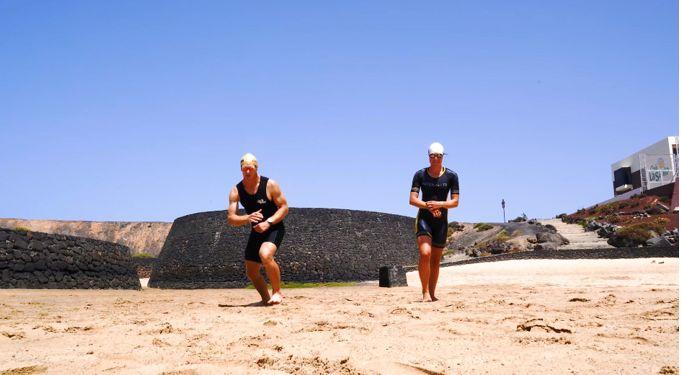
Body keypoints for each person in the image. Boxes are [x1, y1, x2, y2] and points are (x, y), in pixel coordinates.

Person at [227, 153, 289, 305]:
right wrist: (247, 218)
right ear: (241, 170)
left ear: (256, 168)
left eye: (250, 168)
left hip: (274, 227)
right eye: (244, 169)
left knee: (265, 254)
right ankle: (266, 299)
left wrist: (269, 222)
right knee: (252, 272)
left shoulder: (270, 185)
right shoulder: (236, 190)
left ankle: (277, 292)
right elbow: (231, 218)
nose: (247, 172)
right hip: (256, 231)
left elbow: (284, 207)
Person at [409, 142, 459, 302]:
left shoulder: (451, 176)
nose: (435, 159)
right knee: (425, 253)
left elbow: (455, 202)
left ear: (443, 157)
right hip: (424, 218)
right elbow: (412, 199)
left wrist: (440, 204)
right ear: (428, 157)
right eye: (432, 156)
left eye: (438, 156)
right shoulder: (420, 175)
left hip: (441, 221)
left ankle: (432, 292)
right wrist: (428, 206)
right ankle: (424, 292)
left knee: (436, 260)